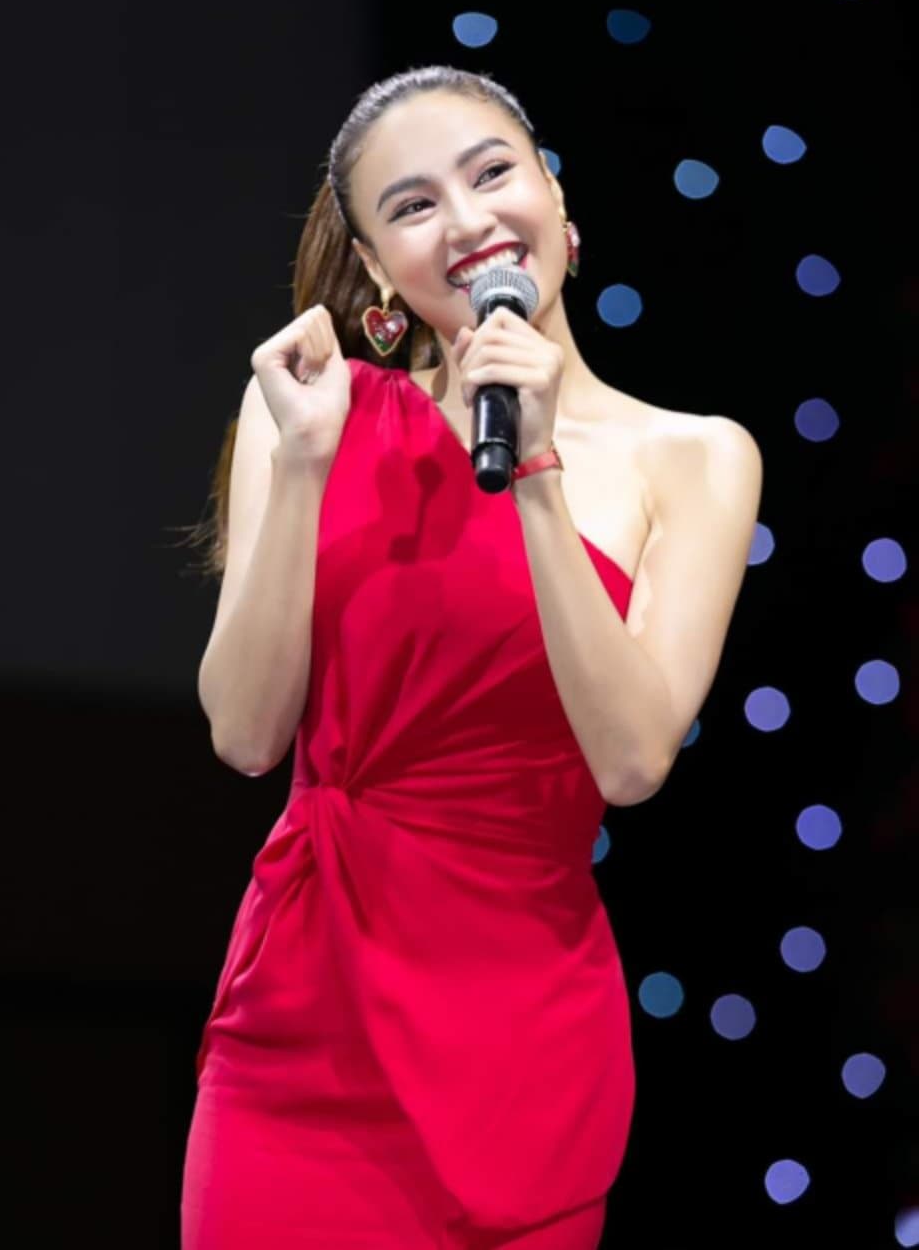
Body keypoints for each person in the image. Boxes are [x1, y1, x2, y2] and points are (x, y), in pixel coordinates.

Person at [179, 66, 763, 1249]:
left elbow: (632, 759)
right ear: (377, 269)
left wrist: (536, 469)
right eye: (413, 205)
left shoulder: (695, 456)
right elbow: (244, 733)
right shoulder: (310, 412)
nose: (466, 220)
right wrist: (304, 463)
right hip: (302, 1025)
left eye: (493, 172)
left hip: (520, 1033)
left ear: (558, 198)